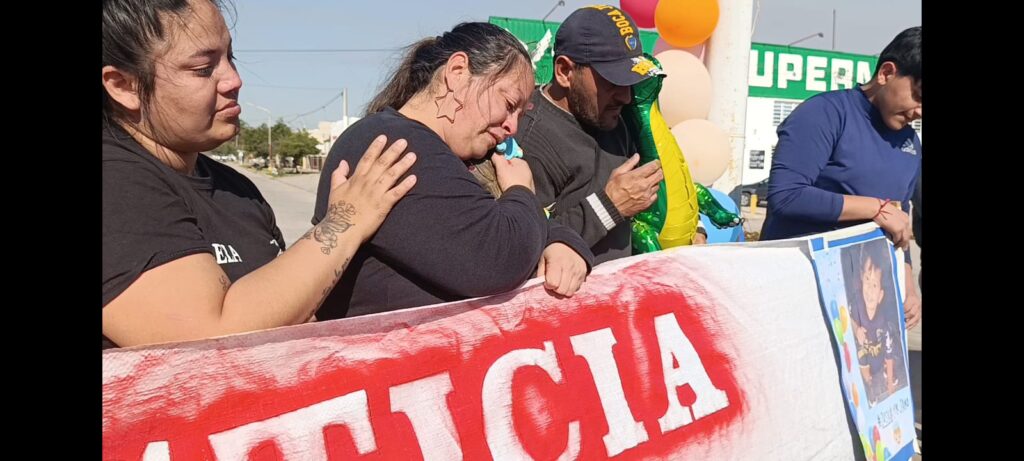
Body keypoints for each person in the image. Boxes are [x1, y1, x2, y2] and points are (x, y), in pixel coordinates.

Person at [102, 0, 416, 348]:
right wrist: (347, 220)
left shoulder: (237, 189)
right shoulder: (113, 181)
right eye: (204, 68)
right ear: (123, 86)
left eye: (230, 57)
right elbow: (205, 342)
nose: (234, 80)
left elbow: (293, 309)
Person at [312, 22, 594, 320]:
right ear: (457, 72)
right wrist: (521, 189)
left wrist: (561, 240)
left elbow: (510, 223)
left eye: (520, 115)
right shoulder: (395, 146)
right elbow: (498, 259)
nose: (512, 127)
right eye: (509, 104)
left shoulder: (439, 150)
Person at [514, 5, 705, 266]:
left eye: (630, 80)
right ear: (564, 71)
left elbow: (663, 181)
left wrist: (696, 226)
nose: (625, 96)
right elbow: (521, 244)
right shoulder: (526, 139)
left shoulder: (617, 118)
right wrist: (609, 206)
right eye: (612, 81)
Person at [762, 26, 922, 330]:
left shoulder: (910, 144)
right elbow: (787, 196)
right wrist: (876, 208)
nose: (919, 112)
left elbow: (898, 220)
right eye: (918, 96)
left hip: (864, 309)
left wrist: (908, 284)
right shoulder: (825, 113)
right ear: (886, 73)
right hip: (800, 294)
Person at [843, 243, 909, 405]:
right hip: (864, 355)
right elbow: (847, 316)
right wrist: (856, 329)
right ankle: (869, 386)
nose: (870, 289)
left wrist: (890, 384)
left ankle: (887, 375)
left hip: (879, 354)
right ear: (861, 281)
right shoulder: (856, 304)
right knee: (860, 354)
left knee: (891, 355)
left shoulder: (883, 324)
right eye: (867, 280)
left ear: (880, 295)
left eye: (874, 285)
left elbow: (889, 352)